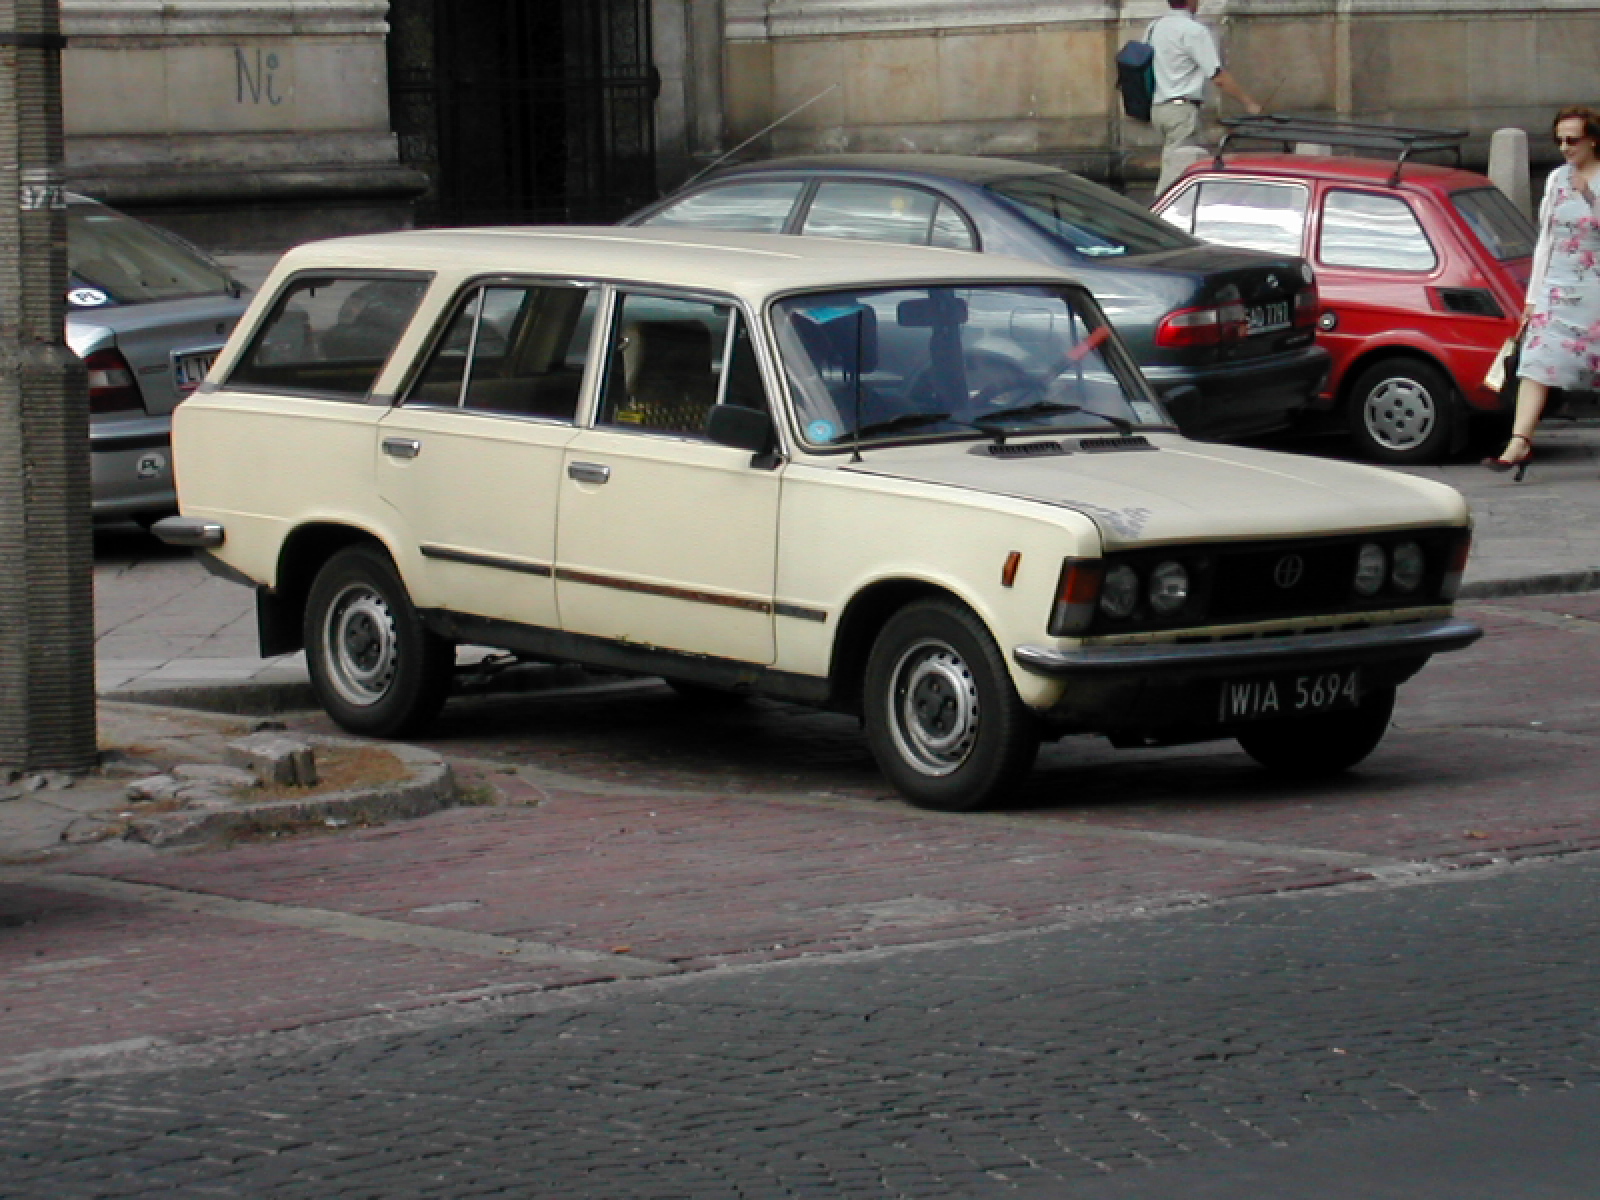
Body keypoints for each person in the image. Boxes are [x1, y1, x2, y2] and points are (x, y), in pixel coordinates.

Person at [1485, 105, 1600, 480]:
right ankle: (1519, 441)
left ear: (1593, 140)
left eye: (1573, 140)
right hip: (1556, 285)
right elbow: (1546, 241)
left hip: (1595, 287)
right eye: (1559, 140)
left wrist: (1591, 197)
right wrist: (1532, 298)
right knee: (1535, 360)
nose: (1565, 148)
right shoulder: (1555, 179)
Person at [1149, 0, 1262, 197]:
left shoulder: (1155, 27)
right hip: (1181, 111)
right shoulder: (1194, 31)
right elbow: (1218, 76)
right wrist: (1249, 103)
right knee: (1176, 176)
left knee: (1172, 164)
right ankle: (1159, 212)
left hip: (1159, 108)